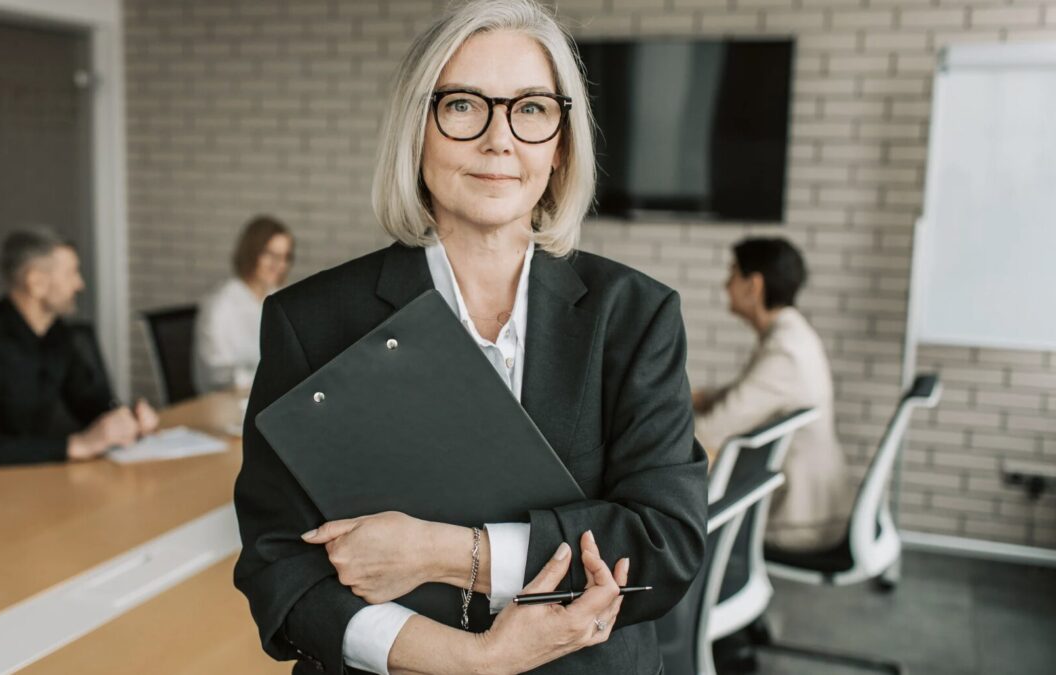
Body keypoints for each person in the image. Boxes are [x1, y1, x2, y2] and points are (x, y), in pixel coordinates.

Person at [233, 2, 706, 673]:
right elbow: (279, 563)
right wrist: (474, 658)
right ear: (416, 129)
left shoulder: (635, 316)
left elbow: (665, 545)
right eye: (462, 106)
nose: (499, 140)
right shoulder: (310, 320)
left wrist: (440, 551)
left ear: (561, 143)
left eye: (532, 109)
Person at [0, 227, 158, 472]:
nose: (79, 284)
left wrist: (125, 416)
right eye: (71, 274)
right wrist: (75, 445)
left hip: (27, 478)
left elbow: (87, 398)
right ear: (36, 282)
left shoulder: (55, 333)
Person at [693, 237, 853, 553]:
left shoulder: (784, 351)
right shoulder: (791, 335)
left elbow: (711, 430)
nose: (726, 286)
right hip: (812, 509)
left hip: (800, 523)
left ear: (754, 286)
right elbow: (740, 396)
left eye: (732, 274)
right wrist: (694, 396)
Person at [193, 215, 294, 393]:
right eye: (271, 255)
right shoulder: (220, 304)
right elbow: (217, 374)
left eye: (285, 257)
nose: (279, 265)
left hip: (265, 395)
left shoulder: (279, 298)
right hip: (224, 401)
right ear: (251, 253)